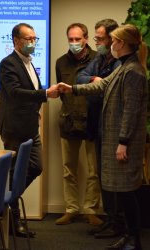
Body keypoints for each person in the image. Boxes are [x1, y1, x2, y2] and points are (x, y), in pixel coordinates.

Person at [58, 23, 148, 250]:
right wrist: (72, 88)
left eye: (114, 41)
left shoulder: (134, 71)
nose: (111, 45)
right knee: (124, 193)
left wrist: (123, 142)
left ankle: (134, 240)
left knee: (128, 195)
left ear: (122, 43)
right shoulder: (124, 67)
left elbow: (130, 110)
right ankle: (129, 237)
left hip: (124, 142)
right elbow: (103, 85)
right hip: (116, 139)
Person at [0, 22, 59, 238]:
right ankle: (13, 220)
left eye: (35, 39)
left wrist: (37, 108)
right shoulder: (8, 64)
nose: (33, 42)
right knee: (14, 171)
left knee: (37, 166)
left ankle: (7, 200)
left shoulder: (30, 63)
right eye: (29, 39)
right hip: (14, 128)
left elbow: (29, 93)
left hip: (31, 126)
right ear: (16, 41)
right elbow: (15, 92)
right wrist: (45, 94)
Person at [76, 19, 125, 239]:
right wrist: (96, 80)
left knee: (113, 179)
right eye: (95, 38)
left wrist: (97, 84)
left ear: (113, 38)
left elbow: (107, 90)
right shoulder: (100, 58)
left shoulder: (120, 62)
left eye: (100, 38)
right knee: (104, 177)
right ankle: (110, 219)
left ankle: (118, 223)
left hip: (113, 129)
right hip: (97, 125)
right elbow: (81, 77)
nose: (97, 42)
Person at [55, 22, 103, 226]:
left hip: (92, 121)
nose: (74, 43)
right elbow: (62, 93)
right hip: (69, 121)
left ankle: (91, 210)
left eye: (77, 39)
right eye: (70, 39)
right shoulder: (61, 62)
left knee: (95, 170)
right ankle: (71, 209)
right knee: (68, 170)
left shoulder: (98, 59)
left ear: (85, 38)